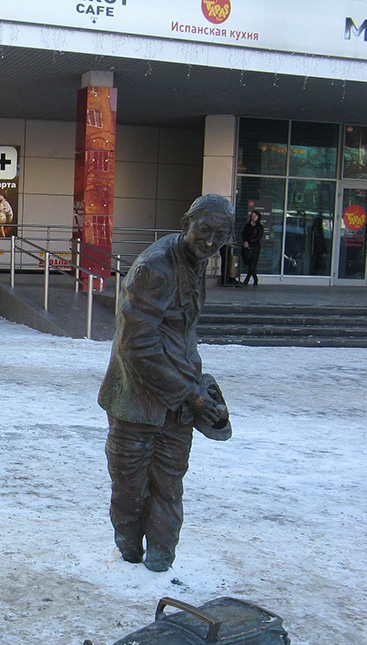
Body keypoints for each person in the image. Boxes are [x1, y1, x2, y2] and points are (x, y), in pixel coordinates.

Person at [98, 193, 234, 573]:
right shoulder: (154, 268)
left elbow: (181, 336)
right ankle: (128, 559)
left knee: (170, 486)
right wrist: (189, 392)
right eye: (204, 230)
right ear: (185, 223)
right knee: (130, 490)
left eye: (220, 236)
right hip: (136, 403)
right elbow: (135, 346)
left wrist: (198, 387)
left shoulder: (195, 264)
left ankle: (160, 562)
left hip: (180, 404)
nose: (209, 242)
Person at [240, 210, 264, 286]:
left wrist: (250, 242)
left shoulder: (259, 226)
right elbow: (244, 234)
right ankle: (255, 278)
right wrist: (245, 241)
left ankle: (247, 279)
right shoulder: (248, 225)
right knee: (249, 262)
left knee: (253, 263)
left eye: (255, 216)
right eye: (252, 216)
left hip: (255, 246)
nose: (253, 217)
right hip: (247, 246)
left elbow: (258, 236)